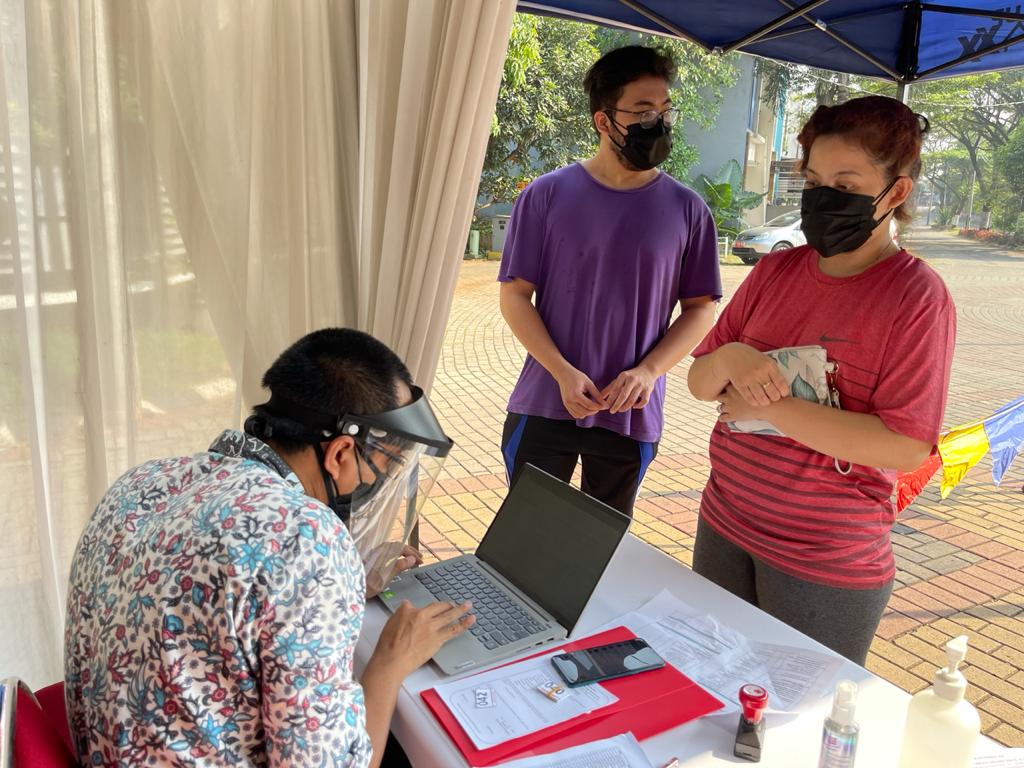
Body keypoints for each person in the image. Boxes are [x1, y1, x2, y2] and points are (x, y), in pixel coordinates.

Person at [64, 328, 474, 767]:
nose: (375, 482)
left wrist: (343, 586)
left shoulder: (144, 480)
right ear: (339, 453)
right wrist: (392, 660)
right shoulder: (306, 541)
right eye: (380, 467)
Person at [687, 96, 955, 665]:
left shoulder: (915, 297)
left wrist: (768, 407)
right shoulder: (775, 270)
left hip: (824, 561)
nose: (822, 197)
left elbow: (905, 446)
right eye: (812, 181)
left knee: (795, 711)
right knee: (710, 686)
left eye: (845, 184)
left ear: (896, 193)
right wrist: (731, 356)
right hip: (725, 522)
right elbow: (701, 383)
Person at [498, 45, 721, 516]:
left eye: (665, 111)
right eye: (643, 112)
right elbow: (515, 295)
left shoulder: (688, 210)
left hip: (630, 414)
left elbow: (702, 307)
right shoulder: (545, 196)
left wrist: (649, 371)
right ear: (604, 120)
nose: (659, 123)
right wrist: (561, 371)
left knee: (600, 544)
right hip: (545, 401)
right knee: (527, 537)